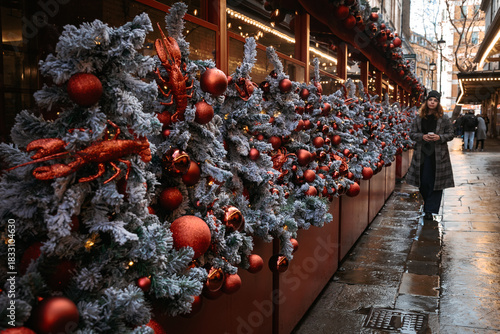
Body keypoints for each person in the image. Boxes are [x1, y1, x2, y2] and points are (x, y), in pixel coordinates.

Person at [406, 90, 455, 220]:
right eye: (430, 100)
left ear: (438, 103)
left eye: (435, 100)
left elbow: (451, 134)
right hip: (422, 154)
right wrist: (423, 136)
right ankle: (427, 204)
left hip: (439, 155)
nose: (432, 102)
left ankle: (430, 210)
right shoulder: (419, 117)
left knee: (436, 182)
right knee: (424, 181)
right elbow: (412, 134)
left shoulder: (443, 118)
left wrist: (439, 137)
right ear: (426, 101)